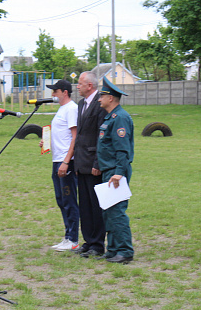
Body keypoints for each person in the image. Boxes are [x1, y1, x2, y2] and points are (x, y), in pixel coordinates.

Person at [96, 76, 134, 263]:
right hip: (108, 170)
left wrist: (119, 172)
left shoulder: (120, 118)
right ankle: (112, 249)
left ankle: (125, 251)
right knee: (108, 211)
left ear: (111, 98)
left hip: (116, 171)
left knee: (117, 211)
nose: (99, 99)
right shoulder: (110, 117)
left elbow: (122, 149)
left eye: (102, 96)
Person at [41, 79, 79, 252]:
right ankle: (67, 236)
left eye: (55, 91)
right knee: (61, 199)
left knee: (69, 199)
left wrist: (66, 161)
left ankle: (73, 239)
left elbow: (75, 137)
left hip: (66, 162)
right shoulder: (62, 109)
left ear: (64, 92)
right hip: (57, 160)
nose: (52, 94)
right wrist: (46, 142)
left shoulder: (71, 109)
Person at [73, 71, 106, 258]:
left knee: (95, 205)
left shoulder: (100, 104)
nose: (77, 87)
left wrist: (97, 162)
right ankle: (88, 240)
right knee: (84, 204)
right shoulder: (81, 105)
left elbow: (101, 137)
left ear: (90, 86)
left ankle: (98, 244)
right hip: (81, 163)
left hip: (93, 163)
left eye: (80, 84)